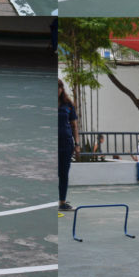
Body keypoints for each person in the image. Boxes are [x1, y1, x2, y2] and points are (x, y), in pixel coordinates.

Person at [58, 79, 79, 212]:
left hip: (66, 143)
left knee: (64, 173)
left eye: (59, 87)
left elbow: (74, 126)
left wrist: (77, 144)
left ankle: (62, 202)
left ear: (62, 89)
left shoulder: (68, 104)